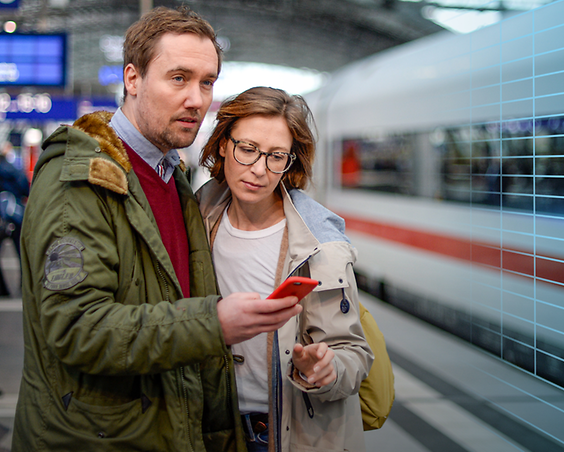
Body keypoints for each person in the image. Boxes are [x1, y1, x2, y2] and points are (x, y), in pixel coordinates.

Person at [12, 7, 301, 452]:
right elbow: (75, 327)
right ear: (132, 78)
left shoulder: (173, 177)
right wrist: (215, 322)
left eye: (207, 82)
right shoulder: (80, 180)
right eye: (179, 78)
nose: (197, 99)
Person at [196, 86, 372, 452]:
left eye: (276, 156)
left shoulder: (321, 246)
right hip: (211, 429)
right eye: (247, 150)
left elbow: (354, 354)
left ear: (291, 161)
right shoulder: (200, 215)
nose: (259, 170)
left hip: (288, 433)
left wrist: (328, 368)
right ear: (223, 144)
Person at [0, 141, 29, 296]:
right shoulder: (14, 169)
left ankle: (2, 289)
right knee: (22, 253)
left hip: (1, 217)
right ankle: (24, 285)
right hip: (16, 215)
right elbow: (25, 187)